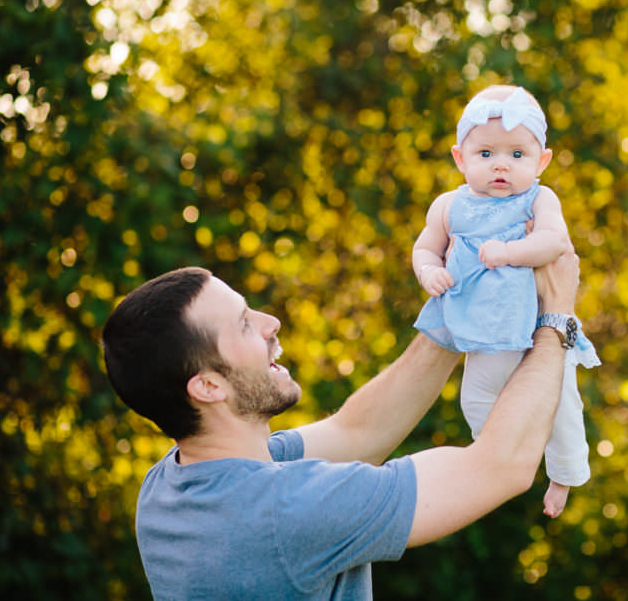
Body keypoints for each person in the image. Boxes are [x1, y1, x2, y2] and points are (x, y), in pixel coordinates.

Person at [101, 250, 580, 599]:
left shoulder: (168, 488)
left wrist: (459, 303)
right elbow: (501, 465)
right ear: (208, 386)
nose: (271, 322)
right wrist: (557, 317)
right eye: (244, 324)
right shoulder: (286, 511)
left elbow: (359, 433)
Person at [412, 84, 599, 518]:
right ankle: (494, 464)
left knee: (562, 405)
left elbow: (554, 242)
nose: (501, 165)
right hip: (484, 334)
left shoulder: (538, 199)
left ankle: (565, 473)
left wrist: (510, 252)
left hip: (537, 329)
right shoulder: (448, 206)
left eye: (517, 154)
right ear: (460, 158)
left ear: (541, 162)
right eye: (486, 154)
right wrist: (429, 272)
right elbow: (424, 248)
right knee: (478, 401)